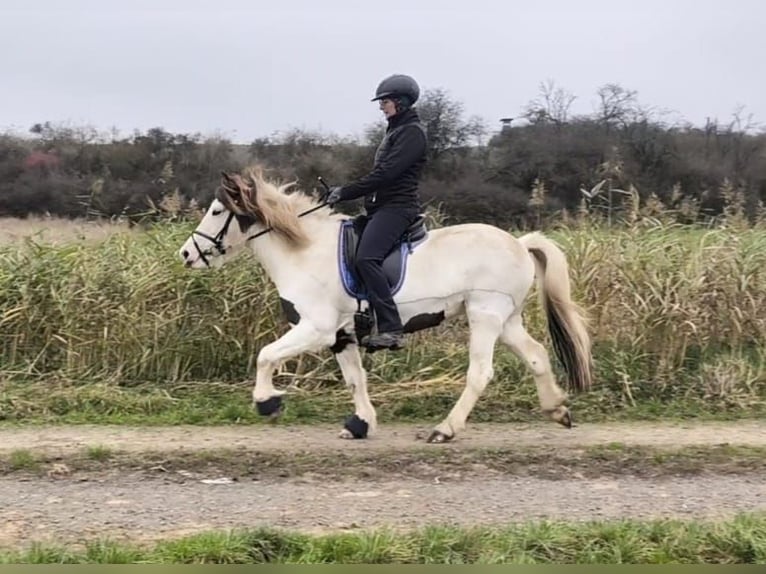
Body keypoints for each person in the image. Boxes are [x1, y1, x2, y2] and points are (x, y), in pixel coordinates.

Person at [326, 73, 428, 350]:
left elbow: (386, 174)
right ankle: (358, 313)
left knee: (366, 258)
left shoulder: (412, 133)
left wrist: (345, 191)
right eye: (381, 102)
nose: (382, 106)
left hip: (398, 208)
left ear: (402, 103)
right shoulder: (396, 130)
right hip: (381, 207)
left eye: (385, 101)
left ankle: (392, 328)